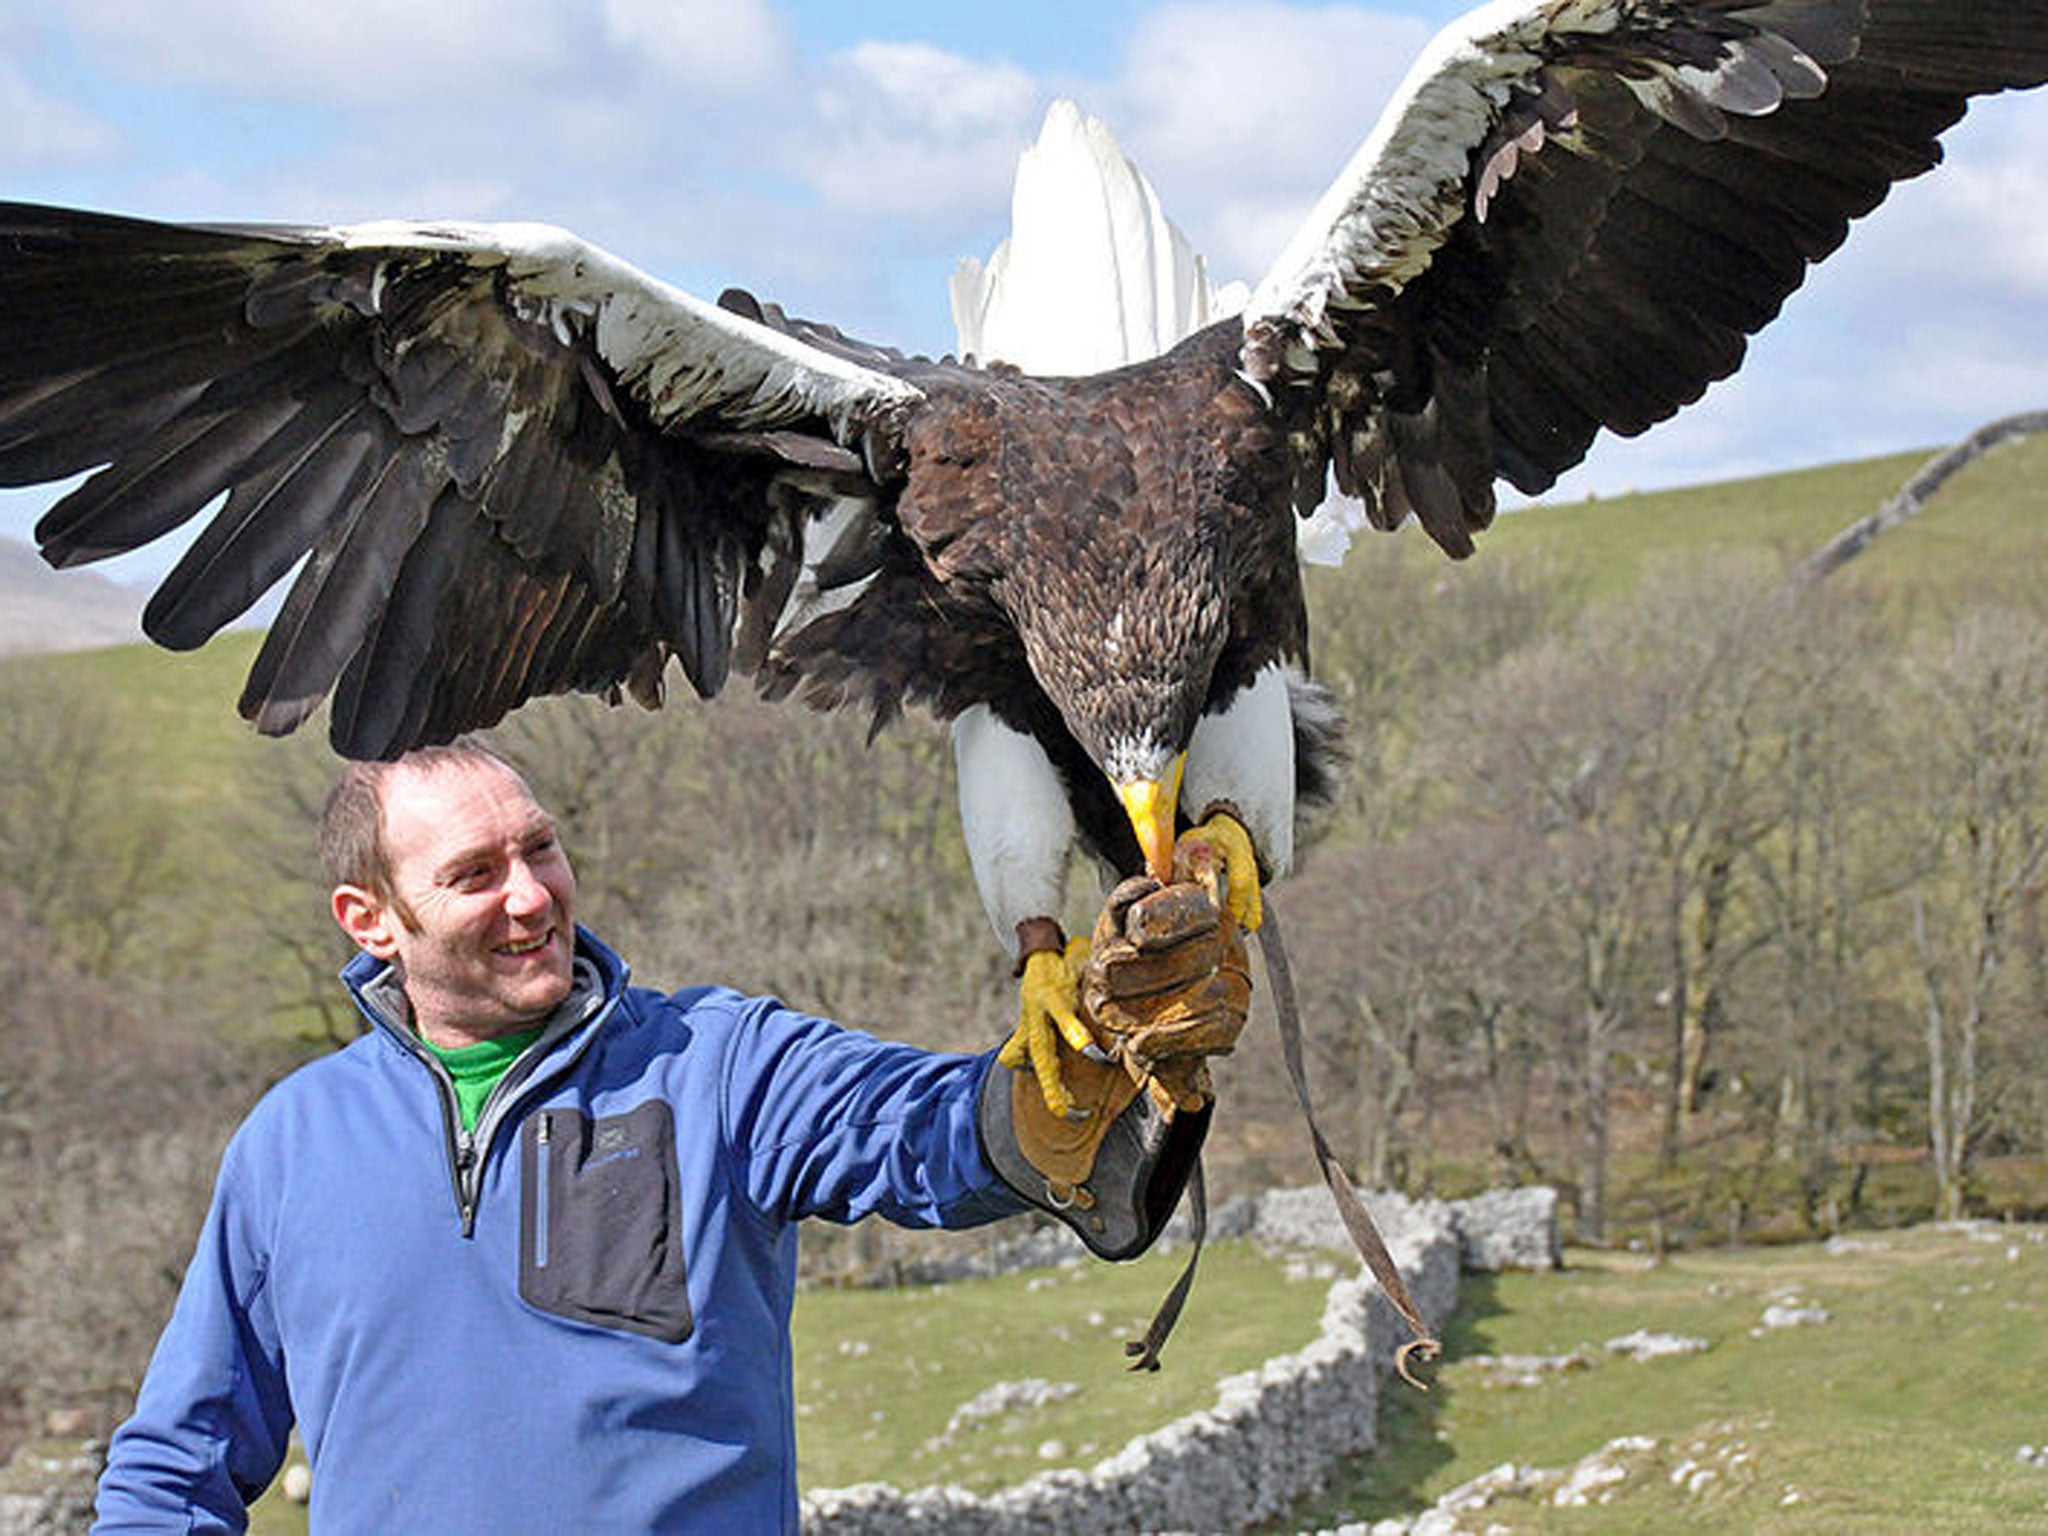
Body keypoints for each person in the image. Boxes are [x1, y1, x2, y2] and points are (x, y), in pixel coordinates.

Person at [93, 738, 1247, 1533]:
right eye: (474, 875)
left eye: (539, 848)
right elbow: (175, 1458)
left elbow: (928, 1131)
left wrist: (1078, 1069)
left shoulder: (717, 1064)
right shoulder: (292, 1143)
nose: (534, 896)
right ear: (371, 920)